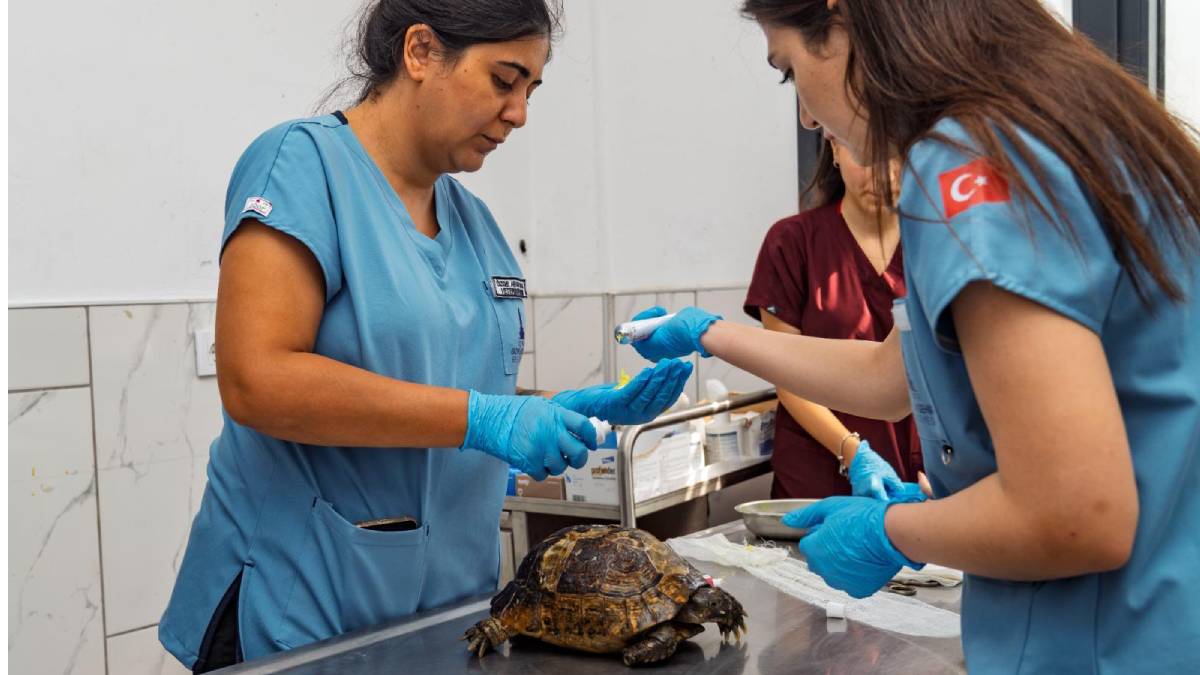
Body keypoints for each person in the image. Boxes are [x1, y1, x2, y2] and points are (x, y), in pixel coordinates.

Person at [625, 0, 1200, 671]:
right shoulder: (1081, 125)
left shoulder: (966, 164)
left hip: (1099, 644)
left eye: (789, 71)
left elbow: (1075, 513)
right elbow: (892, 373)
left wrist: (894, 530)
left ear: (841, 21)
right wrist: (711, 334)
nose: (808, 117)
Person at [158, 1, 691, 671]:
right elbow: (257, 379)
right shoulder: (302, 167)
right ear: (420, 52)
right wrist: (485, 417)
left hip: (445, 621)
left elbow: (451, 395)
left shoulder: (478, 228)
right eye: (504, 79)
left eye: (532, 89)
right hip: (302, 615)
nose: (520, 112)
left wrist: (562, 408)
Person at [745, 139, 922, 499]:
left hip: (920, 472)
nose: (883, 174)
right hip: (819, 476)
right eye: (864, 153)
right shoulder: (792, 243)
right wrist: (853, 452)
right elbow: (787, 373)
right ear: (835, 148)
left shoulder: (936, 243)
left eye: (897, 156)